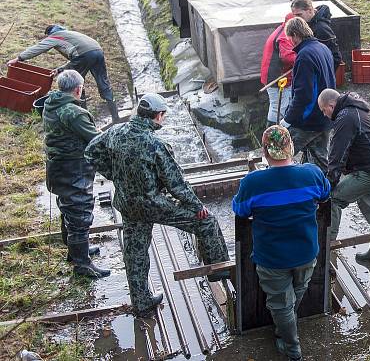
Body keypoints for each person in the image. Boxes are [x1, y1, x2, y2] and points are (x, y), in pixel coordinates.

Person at [85, 93, 230, 317]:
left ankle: (141, 302)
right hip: (154, 203)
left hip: (127, 203)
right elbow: (177, 184)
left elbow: (91, 151)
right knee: (207, 222)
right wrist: (196, 205)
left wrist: (113, 173)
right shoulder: (156, 144)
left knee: (135, 252)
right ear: (158, 116)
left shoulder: (115, 132)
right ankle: (218, 271)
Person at [232, 125, 330, 361]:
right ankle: (284, 328)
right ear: (291, 149)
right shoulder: (312, 173)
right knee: (295, 294)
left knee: (281, 304)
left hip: (272, 258)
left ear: (265, 153)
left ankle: (292, 348)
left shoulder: (253, 182)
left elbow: (240, 210)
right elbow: (325, 194)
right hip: (306, 252)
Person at [43, 70, 109, 279]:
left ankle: (76, 252)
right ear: (78, 89)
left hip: (58, 167)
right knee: (80, 214)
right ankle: (82, 264)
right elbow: (96, 139)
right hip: (74, 169)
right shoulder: (73, 112)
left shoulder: (51, 103)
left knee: (68, 209)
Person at [318, 88, 370, 265]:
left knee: (334, 199)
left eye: (323, 110)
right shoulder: (355, 108)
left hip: (369, 169)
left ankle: (326, 248)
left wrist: (329, 184)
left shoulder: (345, 118)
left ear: (331, 105)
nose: (325, 115)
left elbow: (337, 154)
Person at [8, 24, 119, 122]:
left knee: (76, 83)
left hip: (83, 55)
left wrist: (19, 58)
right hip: (97, 50)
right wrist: (60, 69)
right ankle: (115, 117)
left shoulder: (54, 36)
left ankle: (84, 116)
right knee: (103, 82)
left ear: (49, 34)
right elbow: (75, 60)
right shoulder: (69, 33)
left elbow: (39, 48)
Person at [281, 17, 336, 171]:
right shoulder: (323, 48)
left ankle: (277, 189)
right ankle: (324, 191)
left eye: (289, 38)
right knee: (319, 161)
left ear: (295, 35)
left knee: (280, 155)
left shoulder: (304, 56)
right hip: (325, 117)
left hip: (307, 121)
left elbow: (303, 95)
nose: (290, 42)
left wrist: (288, 119)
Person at [260, 12, 296, 127]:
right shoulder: (284, 37)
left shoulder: (281, 29)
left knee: (278, 106)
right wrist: (305, 57)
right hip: (277, 77)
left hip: (272, 75)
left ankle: (272, 132)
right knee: (278, 108)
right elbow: (288, 57)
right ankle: (272, 134)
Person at [290, 0, 343, 67]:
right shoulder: (307, 23)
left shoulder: (321, 29)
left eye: (299, 15)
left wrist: (323, 74)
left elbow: (336, 57)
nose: (297, 18)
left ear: (310, 10)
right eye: (294, 15)